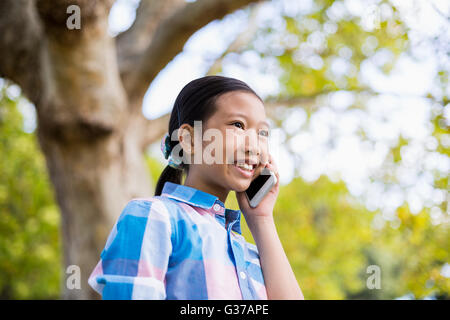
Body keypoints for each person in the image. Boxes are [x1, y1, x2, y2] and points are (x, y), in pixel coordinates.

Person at [88, 75, 304, 300]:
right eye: (238, 125)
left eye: (262, 133)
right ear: (189, 140)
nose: (255, 146)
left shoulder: (252, 255)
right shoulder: (154, 217)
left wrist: (261, 220)